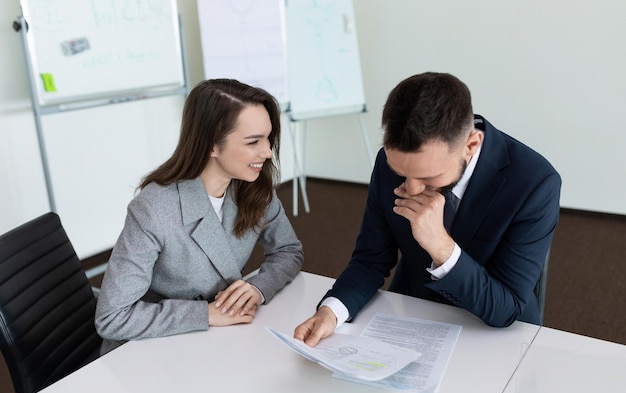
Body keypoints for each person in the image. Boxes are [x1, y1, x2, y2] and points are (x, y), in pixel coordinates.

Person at [294, 72, 561, 346]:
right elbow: (370, 260)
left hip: (497, 335)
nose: (410, 188)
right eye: (400, 172)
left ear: (471, 145)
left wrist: (441, 246)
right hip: (415, 314)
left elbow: (507, 308)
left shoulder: (535, 183)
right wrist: (331, 312)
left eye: (428, 177)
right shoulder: (391, 164)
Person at [95, 79, 303, 348]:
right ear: (211, 145)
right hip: (157, 345)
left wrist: (258, 287)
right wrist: (205, 314)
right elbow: (112, 318)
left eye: (268, 138)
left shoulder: (256, 188)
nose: (266, 152)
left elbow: (289, 250)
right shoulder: (154, 209)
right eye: (253, 142)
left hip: (221, 337)